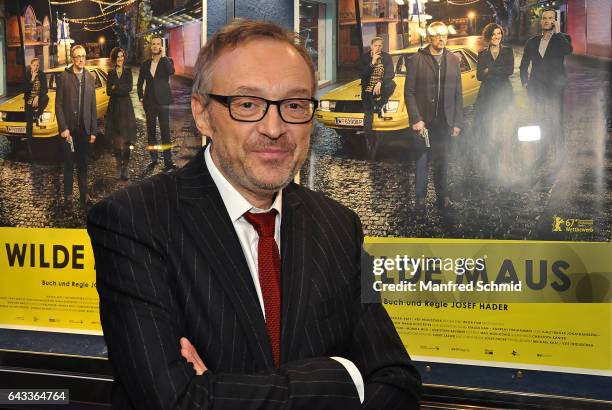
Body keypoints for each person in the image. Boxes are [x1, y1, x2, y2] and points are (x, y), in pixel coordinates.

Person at [88, 19, 421, 409]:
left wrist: (219, 390)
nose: (275, 128)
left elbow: (397, 382)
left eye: (295, 105)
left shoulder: (338, 226)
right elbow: (175, 401)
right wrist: (342, 378)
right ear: (202, 115)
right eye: (248, 104)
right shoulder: (134, 221)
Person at [404, 21, 463, 210]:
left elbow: (457, 94)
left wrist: (457, 122)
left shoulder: (453, 59)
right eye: (437, 35)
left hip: (444, 122)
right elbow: (409, 92)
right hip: (424, 122)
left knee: (442, 161)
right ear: (430, 37)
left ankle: (442, 196)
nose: (441, 38)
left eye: (444, 34)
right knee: (422, 160)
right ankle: (420, 200)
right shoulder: (416, 60)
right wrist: (416, 119)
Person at [519, 8, 572, 150]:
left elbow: (568, 50)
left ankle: (559, 146)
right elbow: (523, 65)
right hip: (536, 86)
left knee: (556, 116)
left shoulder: (563, 38)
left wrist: (559, 32)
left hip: (555, 86)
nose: (547, 20)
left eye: (550, 18)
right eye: (544, 18)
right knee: (537, 116)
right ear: (541, 21)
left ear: (555, 21)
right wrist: (525, 83)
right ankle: (541, 146)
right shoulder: (532, 41)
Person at [55, 45, 97, 208]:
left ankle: (84, 193)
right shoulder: (64, 77)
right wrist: (63, 127)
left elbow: (92, 106)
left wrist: (93, 130)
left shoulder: (90, 77)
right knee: (68, 164)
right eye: (78, 56)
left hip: (84, 130)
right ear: (72, 58)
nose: (81, 59)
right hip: (69, 131)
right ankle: (68, 196)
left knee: (83, 163)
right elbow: (58, 105)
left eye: (83, 56)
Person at [474, 23, 514, 181]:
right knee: (488, 128)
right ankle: (491, 164)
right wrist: (494, 71)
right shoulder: (482, 53)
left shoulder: (508, 51)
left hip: (504, 95)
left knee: (503, 128)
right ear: (488, 36)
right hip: (487, 95)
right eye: (493, 34)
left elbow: (509, 71)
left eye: (499, 33)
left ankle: (505, 161)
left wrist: (489, 70)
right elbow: (479, 76)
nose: (496, 37)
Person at [137, 36, 177, 171]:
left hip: (163, 102)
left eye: (158, 44)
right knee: (151, 132)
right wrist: (141, 97)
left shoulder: (167, 61)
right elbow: (140, 82)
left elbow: (171, 71)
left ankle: (168, 161)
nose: (155, 46)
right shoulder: (145, 64)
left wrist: (164, 55)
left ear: (161, 46)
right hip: (150, 103)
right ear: (150, 46)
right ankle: (153, 159)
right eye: (153, 44)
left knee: (165, 132)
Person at [359, 37, 395, 156]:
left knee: (391, 84)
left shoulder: (387, 57)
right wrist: (372, 62)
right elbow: (362, 75)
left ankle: (380, 105)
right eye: (376, 46)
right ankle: (369, 142)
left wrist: (380, 82)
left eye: (380, 46)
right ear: (371, 46)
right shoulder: (365, 57)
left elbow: (390, 73)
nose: (378, 48)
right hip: (368, 89)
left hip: (382, 86)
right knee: (368, 116)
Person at [106, 47, 136, 180]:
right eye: (117, 56)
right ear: (114, 59)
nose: (120, 58)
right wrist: (119, 88)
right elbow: (108, 91)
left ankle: (126, 167)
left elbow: (128, 88)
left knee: (127, 139)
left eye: (121, 56)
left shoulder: (128, 72)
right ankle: (119, 165)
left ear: (124, 57)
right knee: (116, 139)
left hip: (126, 108)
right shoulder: (110, 73)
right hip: (114, 109)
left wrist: (116, 87)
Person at [24, 57, 48, 156]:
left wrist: (37, 96)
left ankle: (37, 114)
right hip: (29, 101)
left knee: (46, 97)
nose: (36, 67)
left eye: (38, 65)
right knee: (29, 124)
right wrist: (32, 79)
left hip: (39, 99)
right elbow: (25, 90)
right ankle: (30, 145)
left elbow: (45, 89)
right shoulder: (27, 75)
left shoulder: (42, 75)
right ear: (31, 66)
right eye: (34, 65)